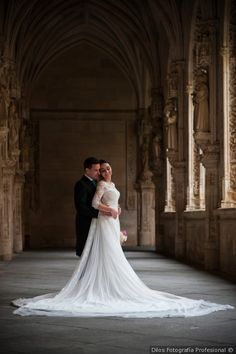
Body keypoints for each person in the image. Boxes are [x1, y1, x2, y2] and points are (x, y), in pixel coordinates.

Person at [12, 160, 234, 317]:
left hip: (110, 222)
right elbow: (90, 205)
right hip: (102, 220)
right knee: (102, 254)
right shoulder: (94, 184)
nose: (104, 171)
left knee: (111, 254)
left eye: (106, 168)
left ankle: (103, 283)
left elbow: (108, 201)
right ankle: (96, 286)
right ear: (93, 171)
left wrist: (115, 208)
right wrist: (109, 211)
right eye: (101, 169)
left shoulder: (110, 184)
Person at [74, 157, 100, 256]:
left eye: (98, 170)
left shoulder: (96, 182)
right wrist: (99, 214)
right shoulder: (81, 184)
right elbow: (81, 207)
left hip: (96, 222)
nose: (98, 173)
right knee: (86, 253)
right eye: (95, 170)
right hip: (86, 223)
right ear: (87, 170)